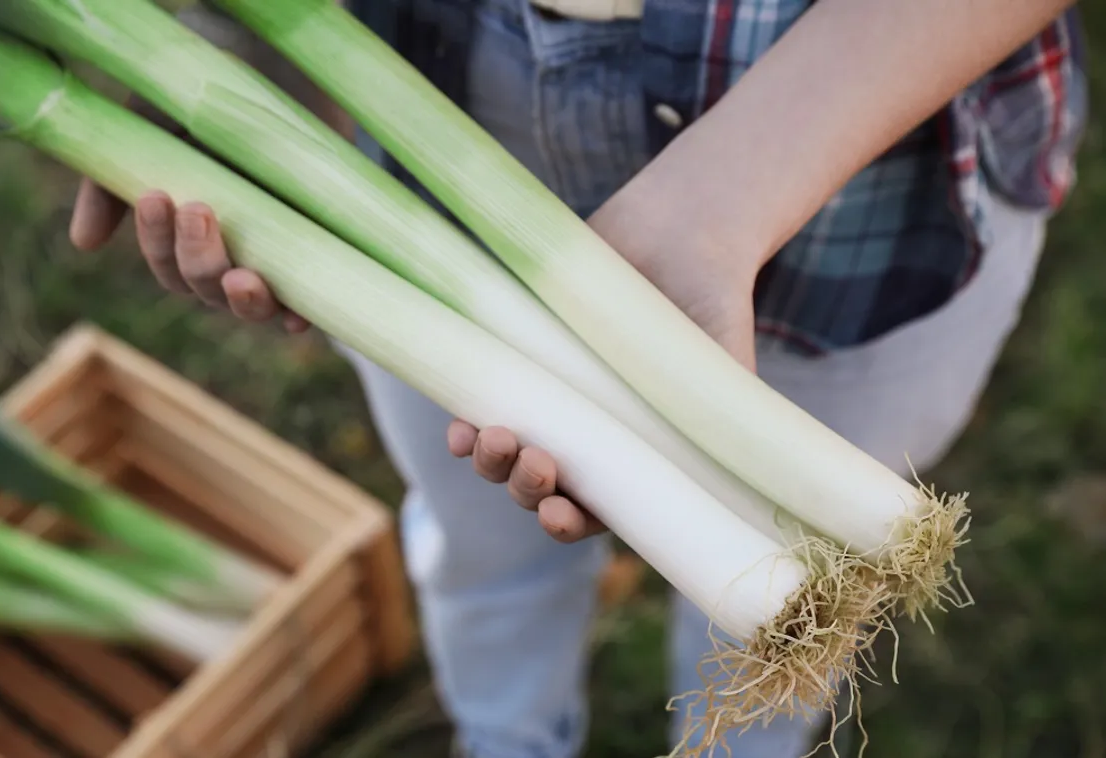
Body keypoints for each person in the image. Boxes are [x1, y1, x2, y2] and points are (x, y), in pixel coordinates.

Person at [66, 1, 1089, 755]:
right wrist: (190, 40)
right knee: (483, 543)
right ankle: (507, 735)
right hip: (437, 142)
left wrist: (731, 193)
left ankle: (743, 739)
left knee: (794, 643)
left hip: (877, 157)